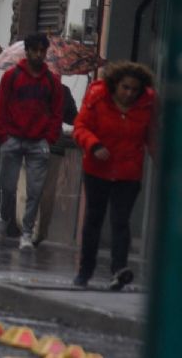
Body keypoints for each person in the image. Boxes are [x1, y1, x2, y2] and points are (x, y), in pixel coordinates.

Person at [72, 62, 155, 290]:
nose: (129, 94)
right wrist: (94, 145)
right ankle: (84, 271)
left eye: (134, 89)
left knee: (120, 221)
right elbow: (80, 128)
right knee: (94, 220)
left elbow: (153, 136)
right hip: (98, 169)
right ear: (115, 85)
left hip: (128, 172)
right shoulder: (97, 97)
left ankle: (119, 270)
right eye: (125, 88)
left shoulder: (147, 105)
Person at [0, 32, 63, 251]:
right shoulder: (11, 77)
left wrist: (49, 138)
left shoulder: (52, 81)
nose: (39, 54)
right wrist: (3, 136)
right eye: (35, 50)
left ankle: (27, 233)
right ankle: (4, 217)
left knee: (35, 191)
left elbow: (57, 112)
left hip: (38, 142)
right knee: (8, 187)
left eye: (43, 51)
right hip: (13, 138)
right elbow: (1, 107)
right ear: (28, 51)